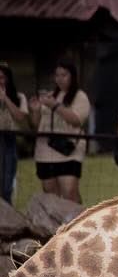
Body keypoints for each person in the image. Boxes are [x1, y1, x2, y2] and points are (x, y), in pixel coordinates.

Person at [32, 60, 89, 204]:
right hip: (45, 151)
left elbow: (76, 120)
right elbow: (36, 125)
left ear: (72, 76)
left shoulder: (80, 96)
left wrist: (55, 106)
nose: (60, 78)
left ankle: (77, 222)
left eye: (64, 75)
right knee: (50, 194)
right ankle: (56, 225)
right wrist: (35, 110)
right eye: (57, 75)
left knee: (69, 191)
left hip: (69, 150)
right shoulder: (49, 96)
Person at [0, 63, 30, 204]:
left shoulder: (19, 97)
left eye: (1, 77)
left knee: (7, 184)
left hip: (8, 140)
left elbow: (20, 117)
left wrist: (5, 99)